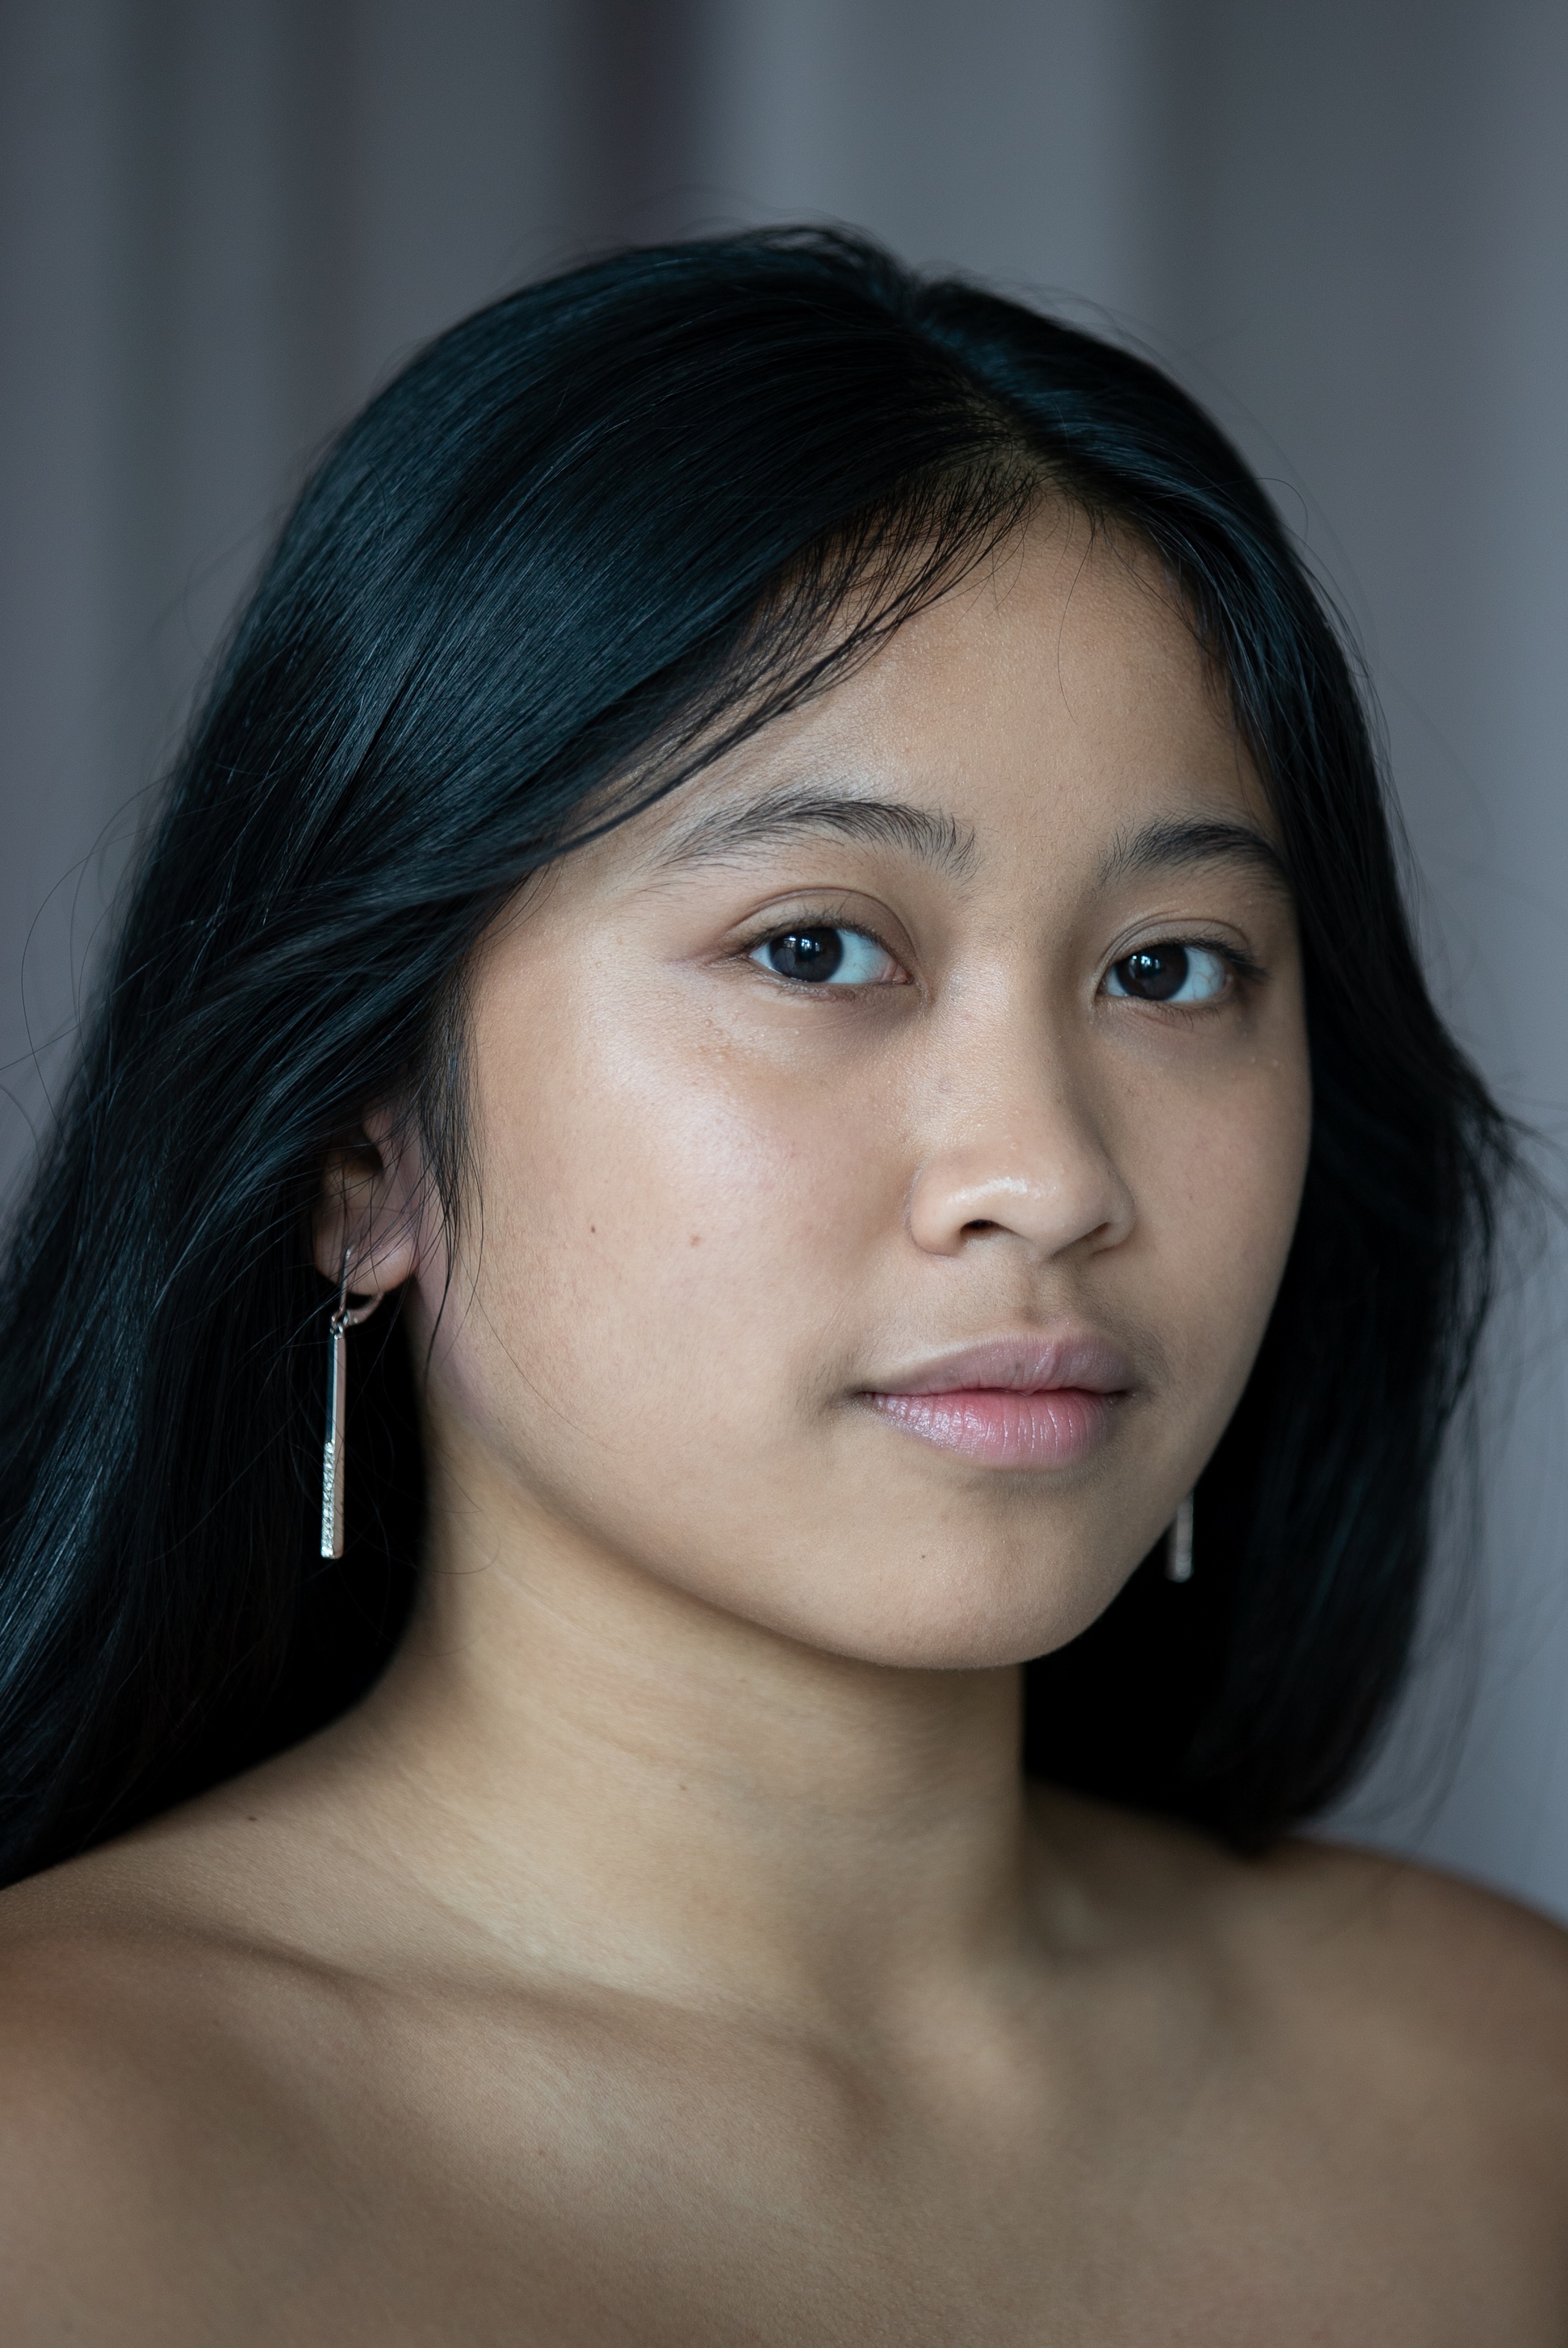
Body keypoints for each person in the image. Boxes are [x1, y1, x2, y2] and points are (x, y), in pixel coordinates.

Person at [0, 229, 1561, 2344]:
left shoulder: (1497, 2094)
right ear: (360, 1147)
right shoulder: (63, 2162)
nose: (1049, 1174)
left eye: (1168, 969)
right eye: (815, 947)